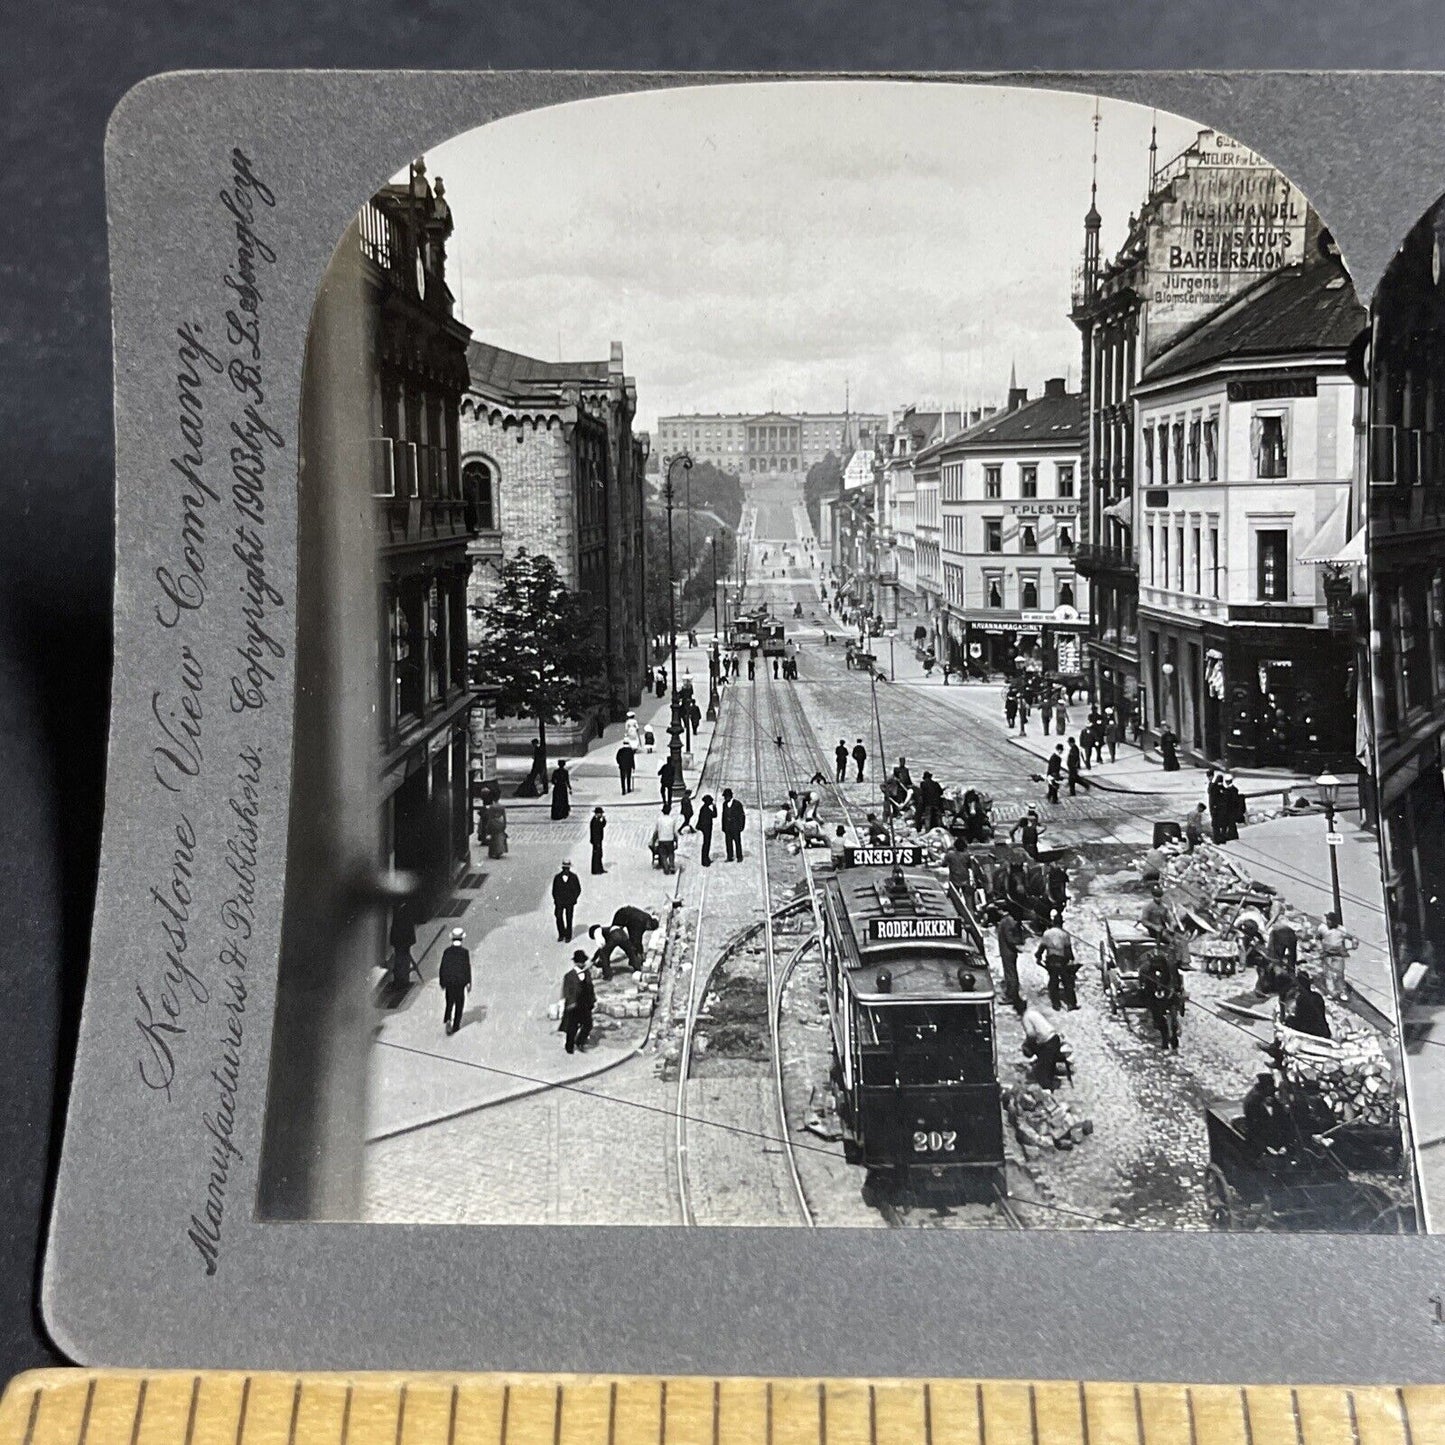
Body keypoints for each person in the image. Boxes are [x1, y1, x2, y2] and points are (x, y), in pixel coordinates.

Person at [1140, 946, 1184, 1050]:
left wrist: (1175, 990)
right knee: (1158, 1018)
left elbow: (1177, 982)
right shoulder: (1145, 969)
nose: (1157, 966)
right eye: (1155, 964)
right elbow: (1144, 986)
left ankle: (1173, 1035)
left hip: (1170, 995)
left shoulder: (1171, 967)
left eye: (1159, 963)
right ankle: (1164, 1038)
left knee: (1173, 1015)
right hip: (1154, 997)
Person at [1018, 997, 1065, 1086]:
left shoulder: (1025, 1018)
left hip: (1048, 1044)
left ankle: (1046, 1088)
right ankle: (1051, 1076)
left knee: (1041, 1072)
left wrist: (1026, 1044)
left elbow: (1031, 1035)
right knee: (1047, 1063)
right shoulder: (1032, 1012)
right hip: (1055, 1038)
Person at [1036, 913, 1078, 1010]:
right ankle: (1071, 1003)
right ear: (1061, 923)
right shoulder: (1065, 934)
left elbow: (1042, 947)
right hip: (1062, 960)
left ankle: (1056, 1004)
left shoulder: (1047, 933)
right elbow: (1068, 950)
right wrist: (1071, 960)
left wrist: (1038, 956)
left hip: (1051, 960)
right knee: (1067, 982)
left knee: (1053, 982)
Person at [1241, 1071, 1289, 1154]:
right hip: (1260, 1142)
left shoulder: (1268, 1097)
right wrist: (1267, 1148)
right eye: (1271, 1087)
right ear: (1265, 1088)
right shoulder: (1253, 1102)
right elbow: (1255, 1129)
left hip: (1274, 1138)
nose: (1274, 1091)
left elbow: (1281, 1117)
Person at [1315, 912, 1357, 1002]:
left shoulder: (1341, 930)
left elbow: (1352, 937)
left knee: (1339, 974)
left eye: (1330, 920)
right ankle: (1331, 993)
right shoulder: (1322, 928)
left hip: (1338, 954)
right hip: (1327, 954)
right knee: (1328, 974)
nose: (1328, 922)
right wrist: (1320, 950)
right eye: (1327, 920)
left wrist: (1354, 943)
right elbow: (1318, 939)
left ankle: (1342, 992)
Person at [438, 927, 472, 1036]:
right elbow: (467, 968)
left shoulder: (447, 952)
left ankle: (448, 1018)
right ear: (462, 939)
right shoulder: (464, 952)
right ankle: (456, 1025)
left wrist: (442, 982)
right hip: (460, 983)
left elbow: (443, 967)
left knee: (449, 1001)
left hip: (449, 982)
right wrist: (468, 982)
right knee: (459, 1003)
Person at [560, 952, 595, 1054]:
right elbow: (566, 991)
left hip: (585, 1004)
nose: (582, 964)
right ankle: (569, 1046)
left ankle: (580, 1041)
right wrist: (569, 1004)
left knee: (588, 1024)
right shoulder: (569, 976)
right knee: (572, 1027)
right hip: (574, 1005)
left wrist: (593, 1000)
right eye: (580, 962)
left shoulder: (587, 973)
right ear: (575, 963)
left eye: (583, 962)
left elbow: (590, 988)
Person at [1284, 969, 1331, 1040]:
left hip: (1308, 1029)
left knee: (1288, 1020)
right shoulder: (1317, 996)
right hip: (1322, 1030)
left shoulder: (1301, 998)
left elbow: (1301, 1017)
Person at [995, 909, 1027, 1008]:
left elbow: (1010, 939)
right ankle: (1012, 993)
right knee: (1010, 973)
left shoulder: (1007, 921)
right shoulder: (1009, 921)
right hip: (1008, 951)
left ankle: (1011, 996)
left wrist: (1017, 945)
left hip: (1007, 952)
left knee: (1010, 974)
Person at [388, 903, 420, 993]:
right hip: (404, 938)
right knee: (403, 959)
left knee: (401, 959)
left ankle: (401, 980)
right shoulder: (406, 907)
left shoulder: (400, 907)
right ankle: (402, 980)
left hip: (401, 938)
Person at [552, 861, 581, 942]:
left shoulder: (574, 877)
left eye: (567, 868)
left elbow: (578, 889)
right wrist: (556, 899)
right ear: (562, 868)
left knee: (569, 918)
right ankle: (561, 934)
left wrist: (573, 898)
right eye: (564, 868)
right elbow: (554, 890)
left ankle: (568, 936)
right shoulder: (557, 877)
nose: (566, 870)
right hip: (559, 902)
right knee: (558, 917)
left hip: (569, 902)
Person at [651, 802, 680, 874]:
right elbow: (674, 832)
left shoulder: (659, 820)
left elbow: (656, 832)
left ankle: (666, 867)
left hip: (662, 840)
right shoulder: (672, 820)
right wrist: (676, 842)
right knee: (671, 853)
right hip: (670, 839)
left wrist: (653, 842)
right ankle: (672, 865)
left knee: (663, 854)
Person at [722, 788, 747, 861]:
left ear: (729, 796)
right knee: (728, 842)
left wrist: (741, 826)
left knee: (737, 842)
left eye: (725, 796)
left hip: (735, 826)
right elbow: (723, 816)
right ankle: (730, 856)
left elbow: (742, 816)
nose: (724, 798)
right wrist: (723, 826)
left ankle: (739, 857)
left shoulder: (737, 804)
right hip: (727, 827)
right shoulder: (724, 804)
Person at [1218, 774, 1243, 841]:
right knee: (1231, 823)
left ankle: (1230, 835)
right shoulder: (1234, 789)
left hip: (1229, 809)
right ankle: (1233, 835)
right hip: (1232, 809)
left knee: (1229, 823)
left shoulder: (1228, 791)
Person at [697, 793, 717, 866]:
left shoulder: (704, 808)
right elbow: (714, 815)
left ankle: (706, 859)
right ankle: (705, 860)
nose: (711, 802)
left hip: (706, 828)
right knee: (706, 844)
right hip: (706, 828)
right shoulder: (706, 809)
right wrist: (715, 808)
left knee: (706, 843)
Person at [589, 807, 608, 875]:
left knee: (599, 855)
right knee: (596, 855)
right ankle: (596, 870)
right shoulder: (594, 821)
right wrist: (596, 842)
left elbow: (602, 826)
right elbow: (594, 832)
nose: (601, 814)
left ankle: (599, 869)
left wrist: (604, 820)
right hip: (596, 841)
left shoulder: (597, 820)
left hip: (598, 840)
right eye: (601, 813)